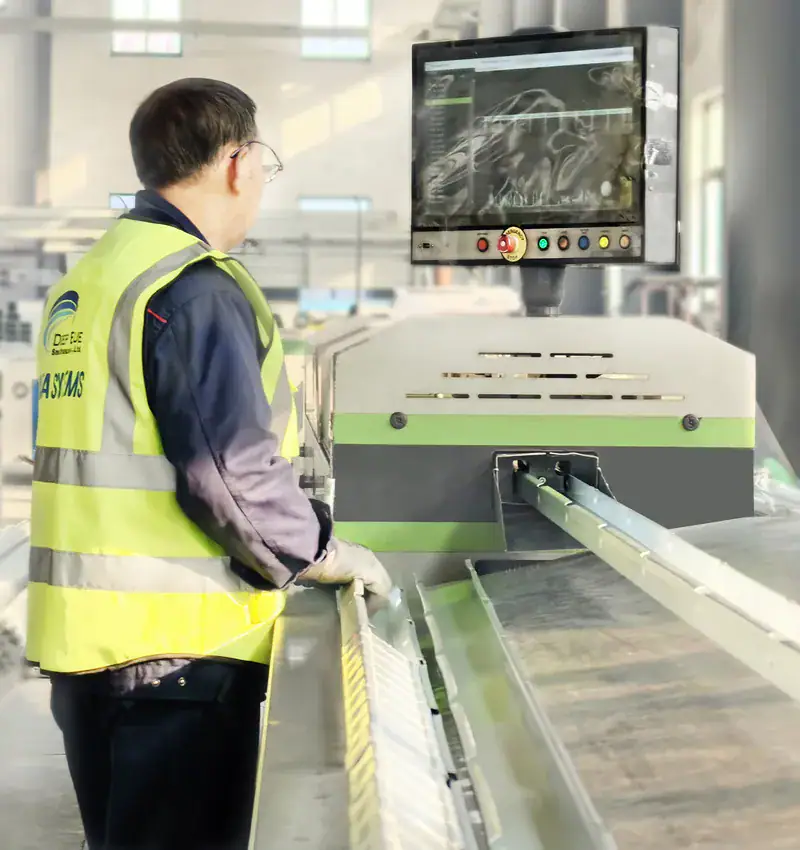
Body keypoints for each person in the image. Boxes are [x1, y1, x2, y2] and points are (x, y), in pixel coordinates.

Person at [26, 78, 392, 850]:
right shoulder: (191, 288)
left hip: (87, 652)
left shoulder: (90, 280)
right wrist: (328, 554)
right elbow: (230, 478)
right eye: (263, 161)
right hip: (176, 662)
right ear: (236, 161)